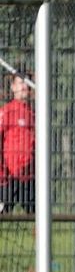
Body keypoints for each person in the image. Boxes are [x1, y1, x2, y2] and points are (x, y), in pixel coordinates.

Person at [0, 70, 35, 214]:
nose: (24, 87)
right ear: (13, 87)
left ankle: (41, 237)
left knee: (38, 216)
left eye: (27, 83)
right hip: (8, 177)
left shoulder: (34, 114)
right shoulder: (6, 112)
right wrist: (2, 172)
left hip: (28, 177)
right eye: (21, 83)